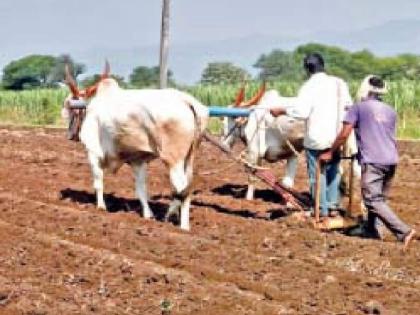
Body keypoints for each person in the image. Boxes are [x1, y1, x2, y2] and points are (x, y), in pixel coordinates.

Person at [319, 75, 416, 250]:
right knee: (380, 198)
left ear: (365, 89)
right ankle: (371, 229)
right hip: (391, 159)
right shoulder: (390, 110)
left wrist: (329, 152)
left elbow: (344, 134)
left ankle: (404, 231)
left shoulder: (358, 108)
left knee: (372, 200)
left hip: (373, 160)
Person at [271, 53, 353, 218]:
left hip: (316, 138)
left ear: (307, 69)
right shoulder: (339, 83)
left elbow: (301, 112)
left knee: (317, 175)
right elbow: (348, 106)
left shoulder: (308, 87)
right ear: (323, 65)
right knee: (333, 172)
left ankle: (320, 209)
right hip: (336, 137)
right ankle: (333, 207)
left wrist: (282, 110)